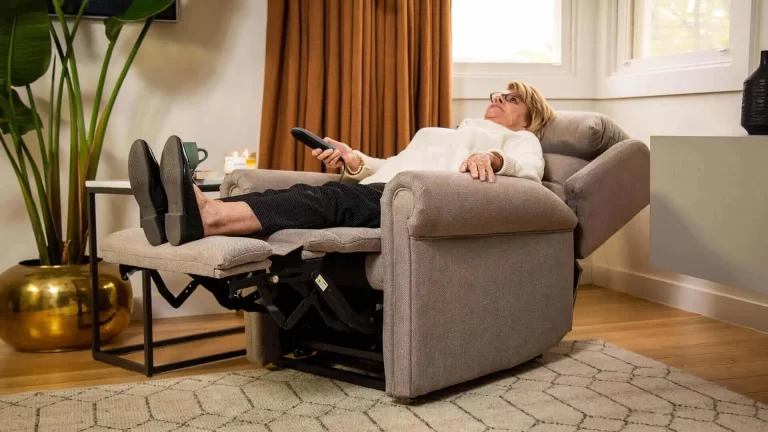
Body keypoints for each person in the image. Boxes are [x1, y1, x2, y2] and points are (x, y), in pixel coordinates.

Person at [128, 80, 556, 247]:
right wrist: (354, 159)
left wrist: (494, 157)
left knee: (327, 198)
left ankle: (206, 215)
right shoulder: (447, 133)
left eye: (510, 98)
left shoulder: (519, 139)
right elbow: (391, 164)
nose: (496, 100)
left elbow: (530, 171)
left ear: (530, 115)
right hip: (389, 187)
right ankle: (179, 213)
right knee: (301, 195)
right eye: (496, 94)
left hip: (419, 202)